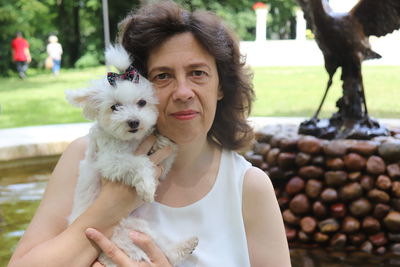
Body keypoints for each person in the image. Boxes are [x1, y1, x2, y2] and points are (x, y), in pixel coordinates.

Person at [8, 1, 291, 267]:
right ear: (139, 86)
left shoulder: (248, 187)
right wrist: (108, 208)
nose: (183, 92)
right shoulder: (85, 157)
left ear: (220, 87)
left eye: (198, 73)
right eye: (163, 76)